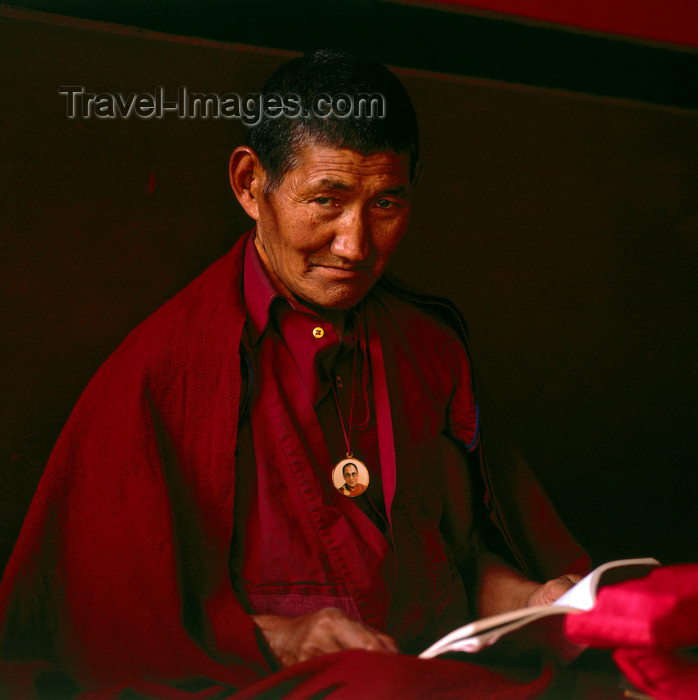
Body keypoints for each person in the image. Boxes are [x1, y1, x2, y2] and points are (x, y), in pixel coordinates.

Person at [0, 50, 589, 698]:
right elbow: (111, 631)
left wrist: (538, 599)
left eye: (386, 203)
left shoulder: (430, 347)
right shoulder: (170, 372)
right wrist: (282, 637)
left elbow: (463, 557)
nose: (355, 245)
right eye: (327, 201)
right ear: (252, 184)